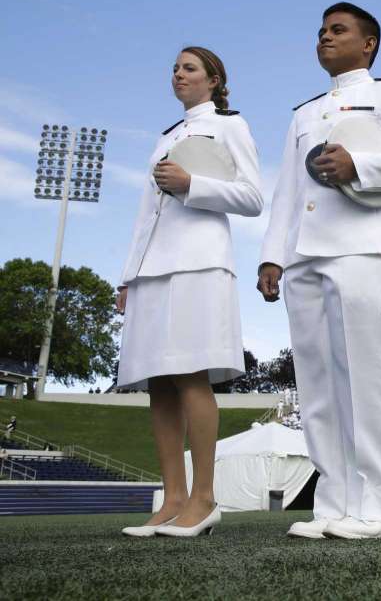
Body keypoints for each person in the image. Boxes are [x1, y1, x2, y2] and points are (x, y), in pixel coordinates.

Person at [258, 2, 381, 540]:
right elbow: (288, 190)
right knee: (316, 384)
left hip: (362, 244)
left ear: (369, 44)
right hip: (304, 254)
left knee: (362, 376)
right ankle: (333, 504)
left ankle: (377, 510)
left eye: (338, 31)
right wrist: (273, 253)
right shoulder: (303, 112)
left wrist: (359, 165)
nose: (325, 38)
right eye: (320, 32)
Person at [117, 46, 263, 538]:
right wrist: (128, 275)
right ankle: (172, 498)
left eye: (189, 68)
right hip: (153, 267)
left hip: (199, 260)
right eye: (175, 69)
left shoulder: (229, 126)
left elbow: (251, 197)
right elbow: (145, 214)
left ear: (214, 79)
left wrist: (191, 183)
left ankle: (204, 498)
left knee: (189, 375)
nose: (178, 75)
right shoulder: (164, 137)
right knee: (158, 383)